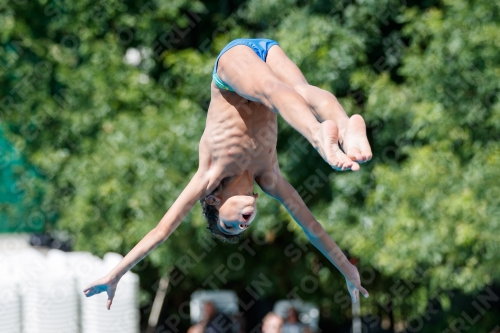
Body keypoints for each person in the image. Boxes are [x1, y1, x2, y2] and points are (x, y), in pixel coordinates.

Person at [83, 38, 371, 309]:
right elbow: (311, 226)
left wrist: (116, 274)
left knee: (271, 90)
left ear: (213, 202)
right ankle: (346, 128)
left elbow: (161, 231)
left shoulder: (210, 174)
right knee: (301, 91)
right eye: (242, 229)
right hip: (268, 51)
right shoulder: (269, 177)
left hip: (233, 64)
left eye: (231, 225)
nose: (243, 226)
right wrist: (347, 269)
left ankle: (320, 137)